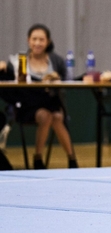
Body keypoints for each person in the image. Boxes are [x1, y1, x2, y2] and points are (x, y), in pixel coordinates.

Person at [0, 24, 78, 168]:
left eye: (41, 39)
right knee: (46, 116)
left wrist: (56, 79)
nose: (37, 43)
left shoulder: (56, 61)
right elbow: (10, 80)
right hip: (27, 105)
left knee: (57, 116)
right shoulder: (18, 60)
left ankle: (72, 159)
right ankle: (38, 158)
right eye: (34, 39)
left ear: (47, 42)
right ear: (28, 40)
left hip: (50, 102)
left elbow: (68, 80)